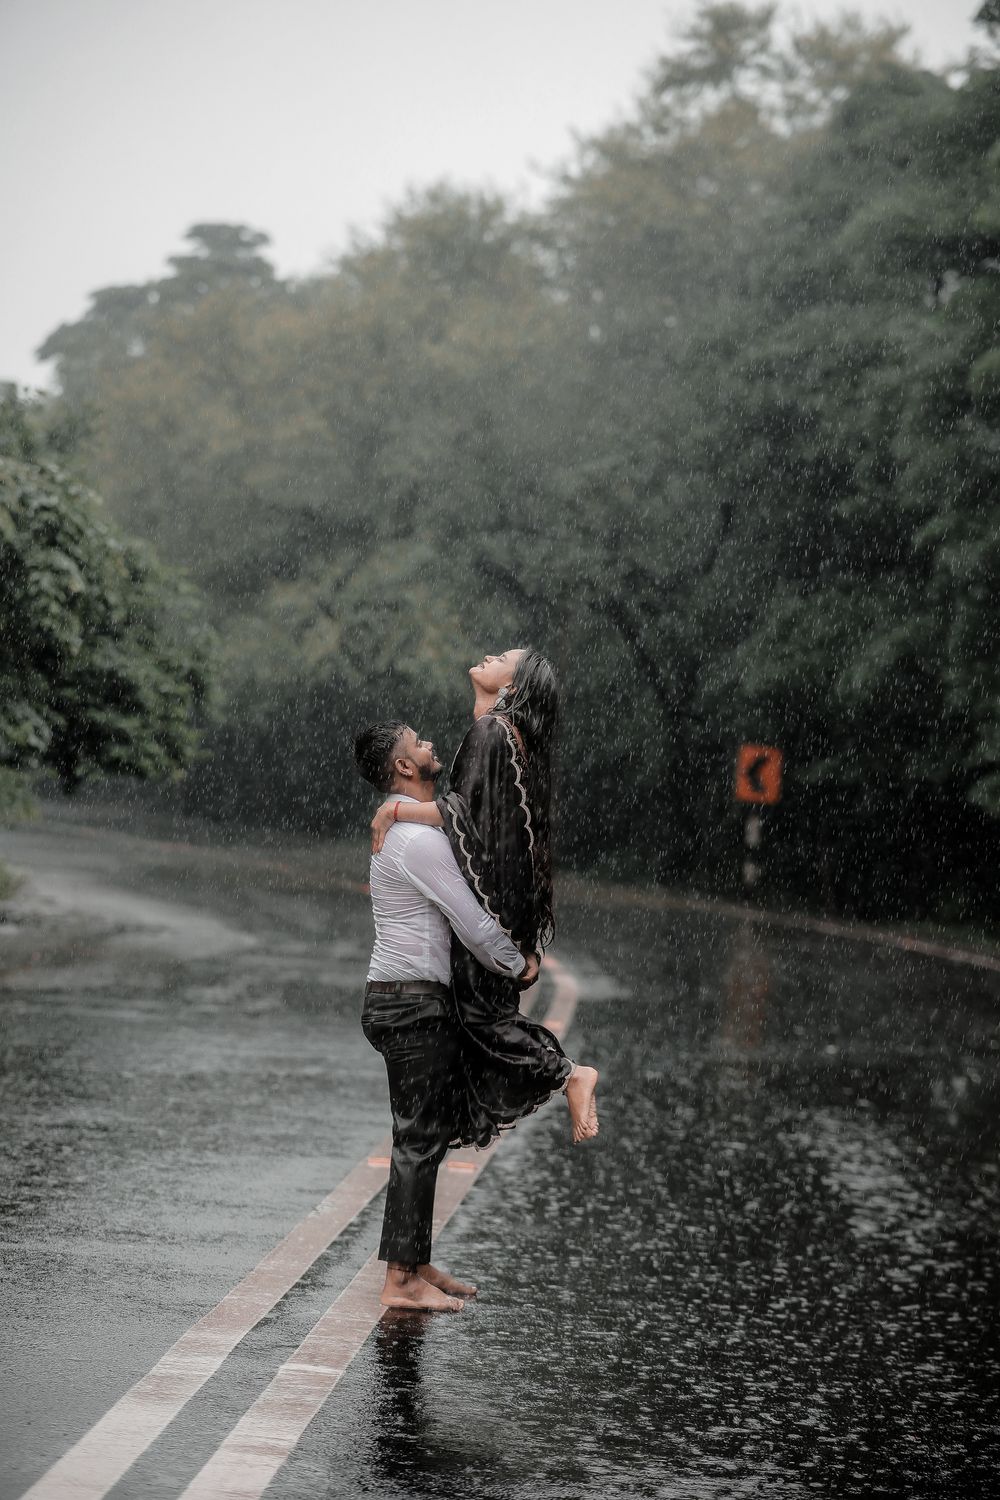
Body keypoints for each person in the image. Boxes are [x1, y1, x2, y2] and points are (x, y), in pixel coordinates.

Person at [370, 648, 599, 1147]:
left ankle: (568, 1074)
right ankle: (463, 1119)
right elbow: (503, 827)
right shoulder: (505, 736)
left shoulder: (490, 732)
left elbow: (466, 819)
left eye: (503, 658)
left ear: (510, 689)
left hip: (493, 901)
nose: (490, 654)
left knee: (480, 1019)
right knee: (485, 1020)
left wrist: (399, 813)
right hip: (510, 900)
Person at [354, 720, 540, 1313]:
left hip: (404, 996)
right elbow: (474, 923)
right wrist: (519, 965)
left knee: (423, 1136)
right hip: (410, 1001)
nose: (429, 742)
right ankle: (399, 1279)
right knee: (417, 1138)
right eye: (418, 741)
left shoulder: (413, 825)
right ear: (404, 767)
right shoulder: (416, 839)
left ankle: (414, 1260)